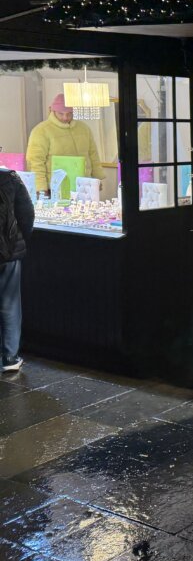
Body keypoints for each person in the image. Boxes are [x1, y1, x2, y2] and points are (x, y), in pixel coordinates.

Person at [25, 93, 103, 198]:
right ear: (52, 111)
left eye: (69, 113)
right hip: (54, 188)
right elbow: (35, 162)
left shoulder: (83, 128)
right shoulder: (41, 131)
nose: (65, 117)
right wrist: (40, 188)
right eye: (61, 113)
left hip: (83, 186)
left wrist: (96, 180)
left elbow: (93, 156)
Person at [0, 165, 34, 373]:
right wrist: (20, 240)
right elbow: (27, 213)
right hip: (8, 251)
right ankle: (10, 357)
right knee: (10, 303)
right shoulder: (10, 177)